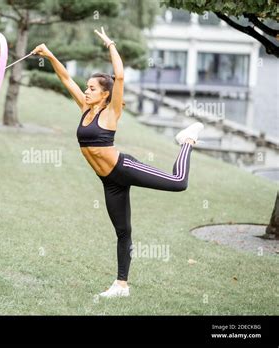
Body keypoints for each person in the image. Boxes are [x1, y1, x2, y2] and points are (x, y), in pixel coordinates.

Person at [31, 27, 204, 298]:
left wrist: (110, 44)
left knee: (178, 183)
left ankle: (187, 141)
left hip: (125, 168)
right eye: (86, 88)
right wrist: (49, 54)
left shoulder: (112, 112)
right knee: (123, 232)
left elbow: (120, 75)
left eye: (91, 88)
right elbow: (66, 79)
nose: (86, 91)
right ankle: (121, 286)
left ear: (104, 94)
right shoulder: (85, 108)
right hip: (109, 182)